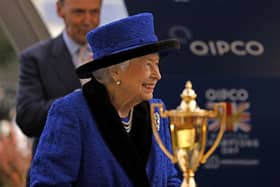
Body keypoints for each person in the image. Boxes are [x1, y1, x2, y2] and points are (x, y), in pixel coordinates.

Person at [29, 12, 181, 187]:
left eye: (157, 64)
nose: (158, 75)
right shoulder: (72, 112)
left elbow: (170, 178)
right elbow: (48, 184)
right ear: (116, 71)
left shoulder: (157, 111)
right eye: (148, 64)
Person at [16, 0, 102, 145]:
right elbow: (27, 119)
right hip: (57, 163)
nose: (87, 21)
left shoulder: (113, 58)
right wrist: (82, 97)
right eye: (79, 12)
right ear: (59, 10)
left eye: (94, 12)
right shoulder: (35, 58)